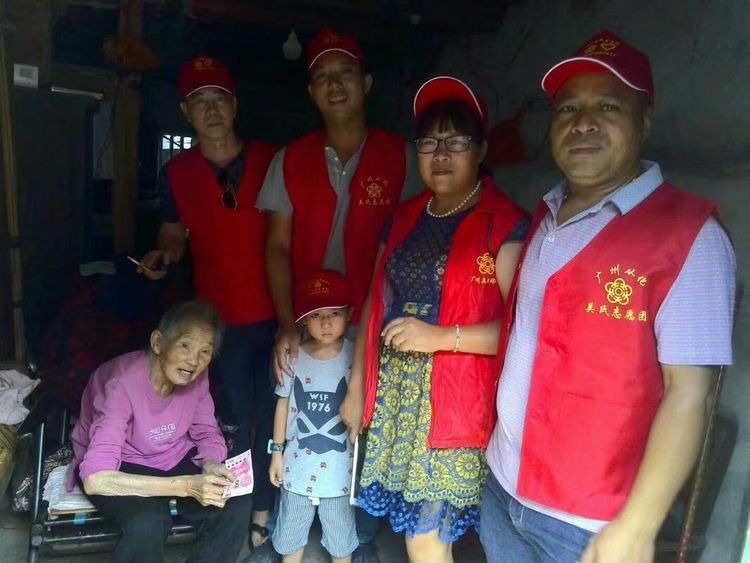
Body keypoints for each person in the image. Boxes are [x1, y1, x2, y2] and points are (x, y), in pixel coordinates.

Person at [480, 30, 736, 563]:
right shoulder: (545, 218)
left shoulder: (690, 238)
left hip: (591, 523)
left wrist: (638, 528)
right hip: (503, 488)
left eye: (609, 106)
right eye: (568, 108)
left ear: (645, 121)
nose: (584, 123)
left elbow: (689, 394)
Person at [339, 76, 529, 563]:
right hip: (397, 395)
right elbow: (374, 302)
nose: (441, 153)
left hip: (457, 400)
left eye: (457, 141)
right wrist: (358, 388)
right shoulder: (404, 216)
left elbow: (523, 330)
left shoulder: (505, 222)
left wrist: (441, 337)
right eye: (429, 141)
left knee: (425, 538)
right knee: (416, 533)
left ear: (481, 149)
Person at [256, 28, 420, 562]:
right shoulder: (290, 159)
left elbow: (419, 239)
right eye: (322, 76)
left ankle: (355, 528)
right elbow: (277, 247)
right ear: (310, 91)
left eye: (345, 73)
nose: (334, 85)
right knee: (305, 408)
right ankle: (297, 519)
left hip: (378, 318)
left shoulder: (402, 157)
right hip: (310, 321)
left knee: (370, 417)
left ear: (366, 83)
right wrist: (287, 324)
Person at [139, 54, 278, 548]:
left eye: (220, 99)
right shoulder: (176, 172)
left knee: (278, 413)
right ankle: (237, 509)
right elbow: (173, 234)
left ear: (235, 105)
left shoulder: (273, 160)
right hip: (216, 323)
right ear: (186, 111)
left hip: (277, 312)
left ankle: (266, 507)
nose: (212, 110)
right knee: (233, 415)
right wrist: (163, 255)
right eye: (200, 102)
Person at [67, 301, 251, 563]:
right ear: (157, 342)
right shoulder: (122, 384)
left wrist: (210, 463)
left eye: (205, 352)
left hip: (173, 453)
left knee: (236, 504)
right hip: (123, 461)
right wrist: (185, 486)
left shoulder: (197, 377)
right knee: (148, 522)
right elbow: (96, 479)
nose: (194, 361)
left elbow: (207, 432)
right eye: (185, 345)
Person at [268, 270, 358, 563]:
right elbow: (283, 404)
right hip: (297, 464)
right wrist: (277, 453)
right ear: (303, 319)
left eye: (335, 313)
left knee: (341, 539)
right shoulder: (293, 356)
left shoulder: (356, 358)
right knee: (291, 534)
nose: (327, 322)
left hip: (340, 468)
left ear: (349, 314)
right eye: (317, 315)